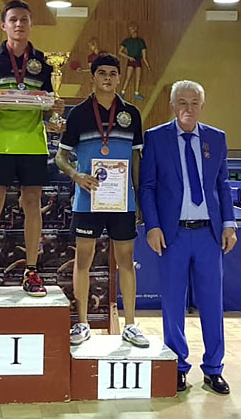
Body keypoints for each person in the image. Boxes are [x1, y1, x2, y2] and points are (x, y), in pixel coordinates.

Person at [139, 80, 237, 395]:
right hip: (173, 234)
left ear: (202, 106)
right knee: (172, 303)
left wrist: (229, 223)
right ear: (172, 106)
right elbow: (147, 186)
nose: (188, 108)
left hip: (209, 234)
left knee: (212, 303)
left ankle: (214, 368)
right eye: (182, 102)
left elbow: (223, 184)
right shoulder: (155, 138)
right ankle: (177, 366)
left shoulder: (216, 138)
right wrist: (152, 226)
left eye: (194, 103)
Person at [0, 0, 64, 298]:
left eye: (24, 19)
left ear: (31, 24)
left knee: (32, 204)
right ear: (3, 25)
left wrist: (55, 111)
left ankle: (32, 270)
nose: (19, 24)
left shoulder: (45, 63)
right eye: (13, 19)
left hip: (32, 143)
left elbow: (48, 103)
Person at [55, 54, 148, 347]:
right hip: (88, 199)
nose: (108, 78)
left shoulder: (131, 114)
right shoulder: (78, 114)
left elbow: (136, 158)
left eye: (113, 73)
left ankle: (130, 325)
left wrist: (138, 197)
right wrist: (76, 175)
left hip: (122, 201)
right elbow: (60, 157)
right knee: (83, 260)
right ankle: (82, 323)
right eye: (102, 73)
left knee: (126, 261)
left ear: (119, 78)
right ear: (93, 77)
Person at [118, 21, 151, 100]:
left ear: (135, 29)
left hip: (138, 61)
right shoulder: (127, 41)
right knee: (128, 77)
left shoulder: (140, 41)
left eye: (131, 29)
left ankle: (136, 93)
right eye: (129, 29)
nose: (130, 31)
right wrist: (129, 57)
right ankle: (122, 92)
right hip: (131, 60)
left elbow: (144, 56)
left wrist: (148, 66)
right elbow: (120, 52)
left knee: (138, 78)